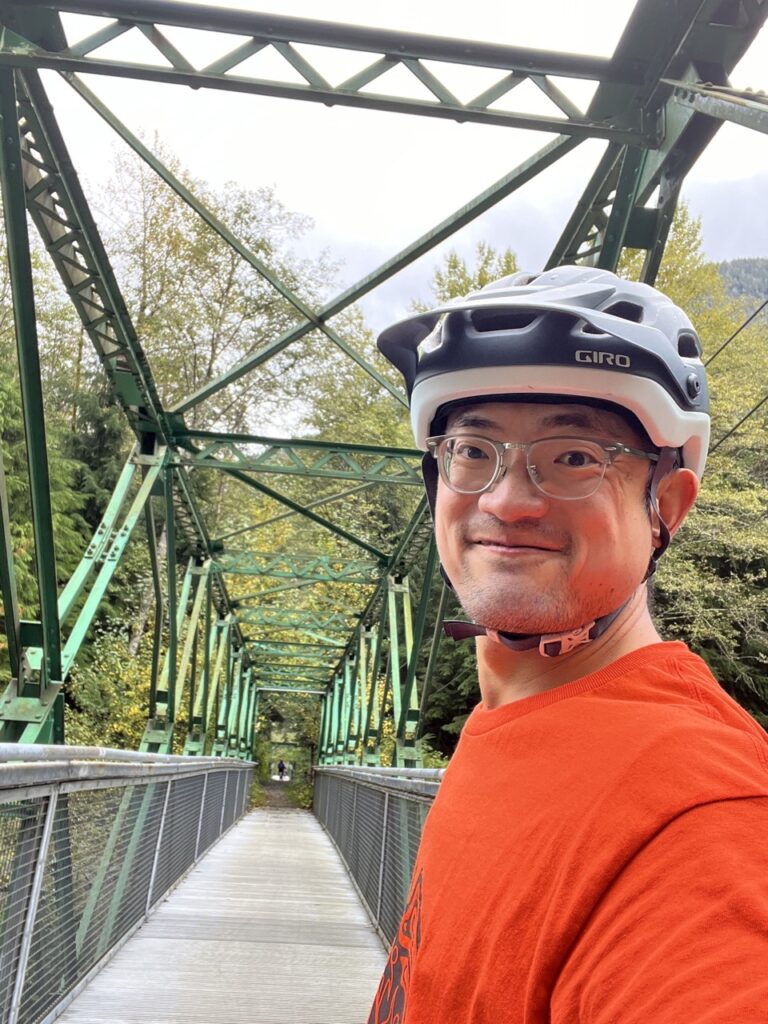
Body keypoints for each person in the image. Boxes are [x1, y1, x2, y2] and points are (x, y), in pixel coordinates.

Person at [367, 266, 768, 1023]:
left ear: (667, 505)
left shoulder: (704, 811)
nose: (506, 500)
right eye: (472, 450)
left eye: (575, 457)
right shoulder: (509, 723)